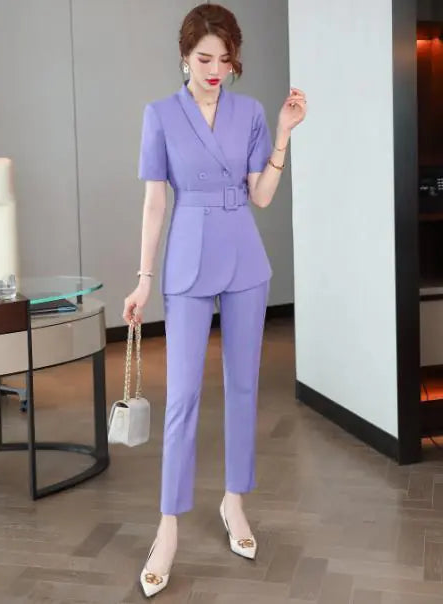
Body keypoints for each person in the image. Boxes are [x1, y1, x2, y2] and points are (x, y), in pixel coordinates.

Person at [122, 3, 307, 597]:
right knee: (182, 398)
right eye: (204, 58)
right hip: (188, 258)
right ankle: (167, 528)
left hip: (245, 259)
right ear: (185, 56)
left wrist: (283, 135)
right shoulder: (159, 115)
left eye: (224, 59)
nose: (214, 69)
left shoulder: (249, 113)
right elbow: (156, 202)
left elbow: (261, 196)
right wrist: (144, 277)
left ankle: (234, 502)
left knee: (244, 388)